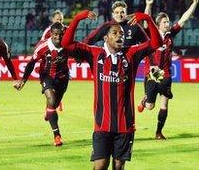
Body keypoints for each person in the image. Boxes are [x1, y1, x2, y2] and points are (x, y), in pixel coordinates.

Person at [61, 10, 162, 170]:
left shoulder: (131, 54)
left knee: (118, 166)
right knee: (100, 165)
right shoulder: (94, 54)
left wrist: (148, 19)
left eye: (121, 33)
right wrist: (77, 19)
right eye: (114, 33)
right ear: (105, 37)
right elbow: (66, 44)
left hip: (125, 124)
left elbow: (156, 43)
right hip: (102, 124)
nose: (119, 36)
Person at [137, 0, 199, 140]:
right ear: (158, 25)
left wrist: (194, 3)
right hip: (152, 74)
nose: (168, 23)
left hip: (165, 75)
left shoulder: (170, 34)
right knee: (150, 106)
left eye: (168, 21)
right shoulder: (150, 35)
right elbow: (146, 20)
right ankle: (145, 100)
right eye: (165, 22)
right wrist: (149, 5)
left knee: (164, 104)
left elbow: (184, 19)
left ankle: (159, 132)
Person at [15, 22, 70, 146]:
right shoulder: (42, 47)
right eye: (55, 34)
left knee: (54, 104)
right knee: (51, 101)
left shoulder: (67, 43)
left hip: (63, 78)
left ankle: (49, 109)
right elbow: (31, 63)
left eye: (60, 34)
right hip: (47, 76)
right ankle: (57, 135)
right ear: (51, 34)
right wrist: (23, 80)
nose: (58, 37)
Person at [83, 1, 148, 47]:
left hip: (130, 63)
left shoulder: (134, 26)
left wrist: (151, 62)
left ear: (126, 13)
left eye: (122, 12)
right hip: (111, 63)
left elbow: (147, 43)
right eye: (117, 12)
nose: (119, 15)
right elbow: (89, 39)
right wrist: (80, 54)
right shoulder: (106, 26)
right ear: (113, 14)